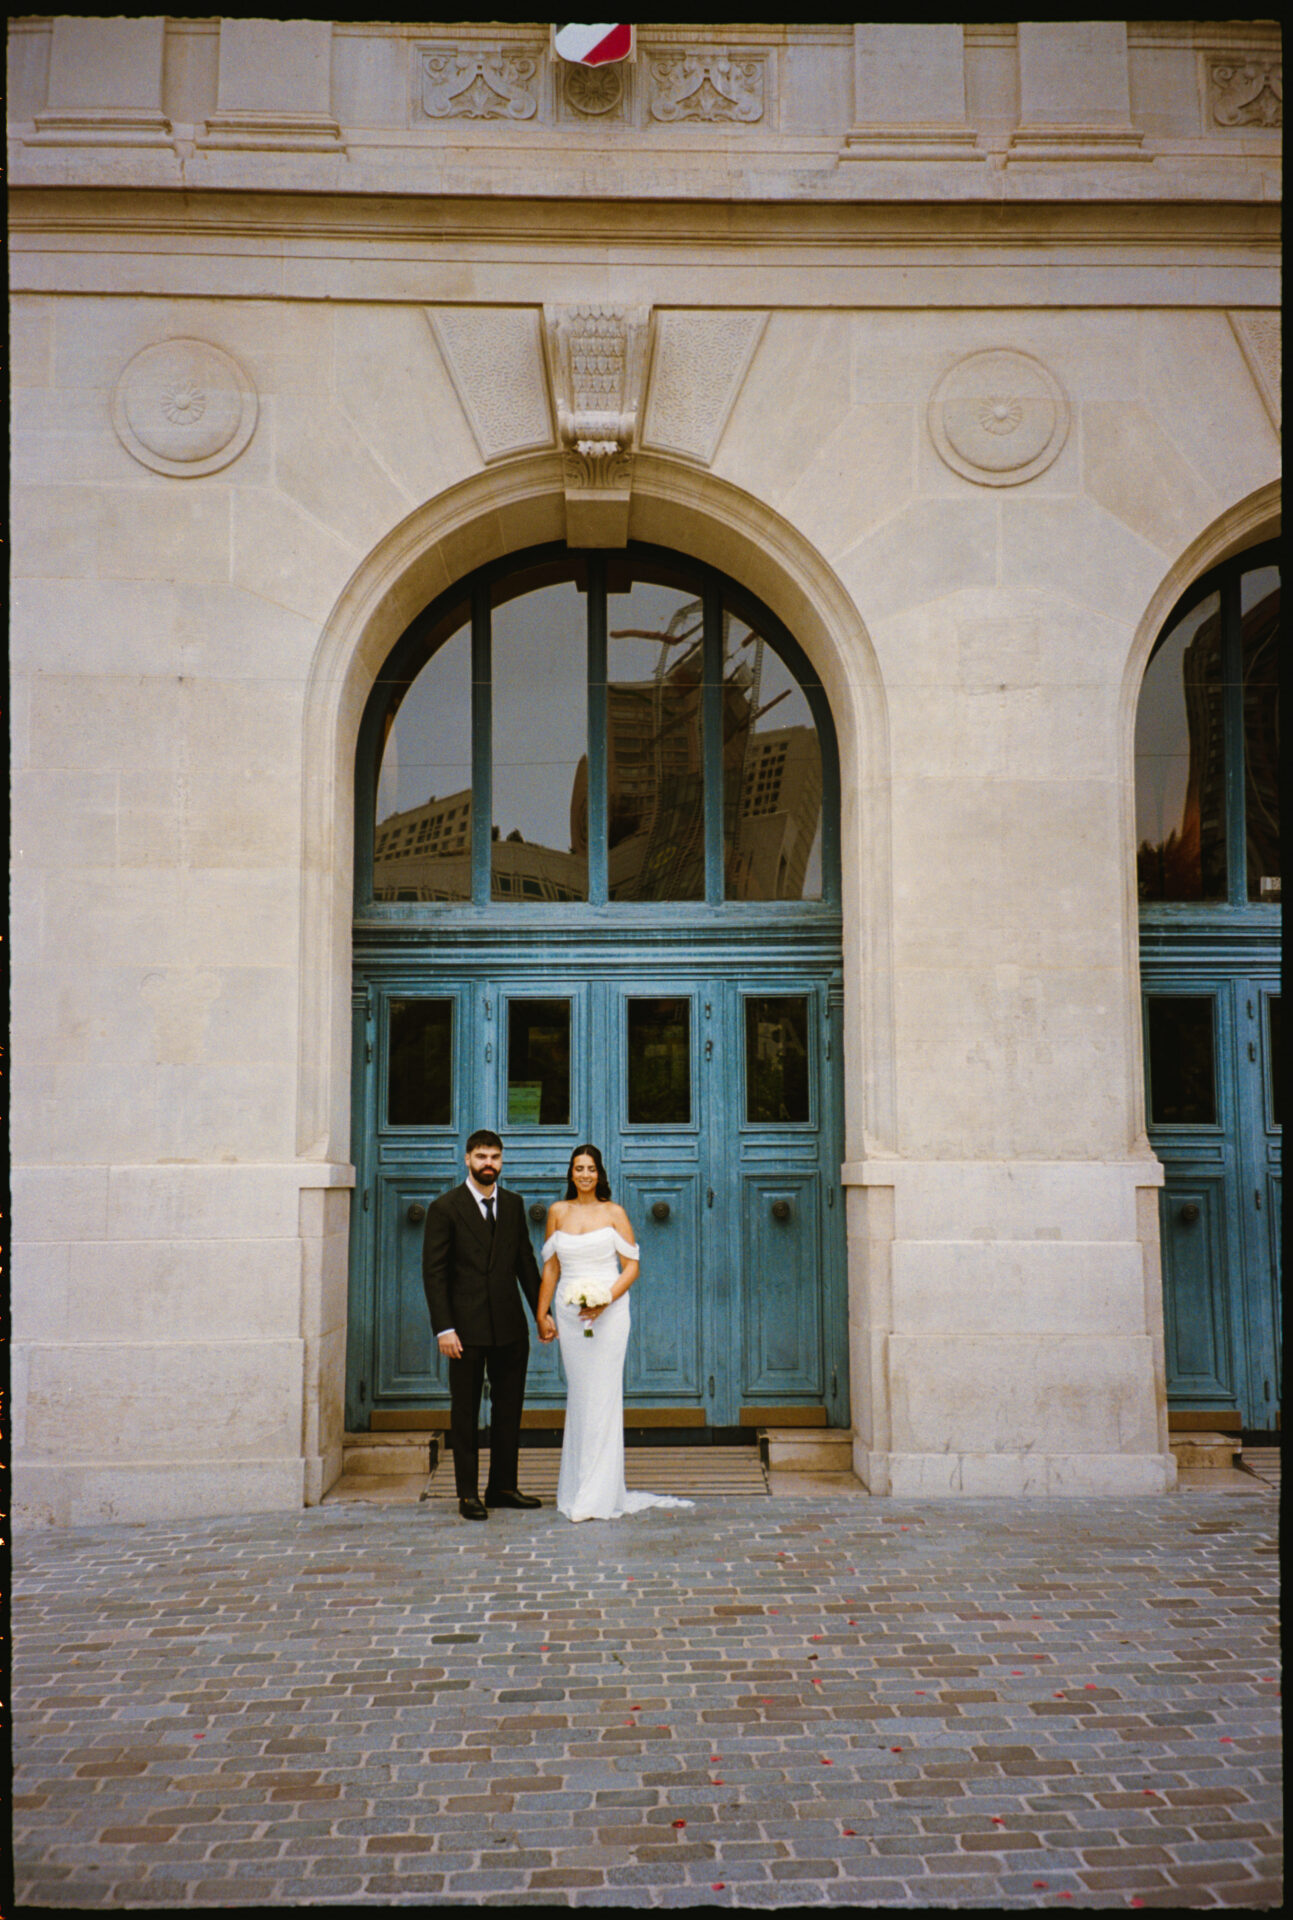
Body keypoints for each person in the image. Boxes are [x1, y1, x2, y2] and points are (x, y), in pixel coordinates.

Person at [537, 1143, 694, 1523]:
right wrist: (541, 1313)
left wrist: (605, 1298)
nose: (585, 1174)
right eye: (579, 1168)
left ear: (599, 1172)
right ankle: (577, 1488)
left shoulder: (614, 1213)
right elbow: (552, 1269)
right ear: (570, 1173)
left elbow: (631, 1266)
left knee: (603, 1395)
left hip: (609, 1313)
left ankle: (599, 1494)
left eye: (591, 1168)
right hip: (571, 1313)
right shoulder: (558, 1212)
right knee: (580, 1394)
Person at [421, 1128, 556, 1521]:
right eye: (481, 1157)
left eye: (495, 1157)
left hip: (510, 1327)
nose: (488, 1164)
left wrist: (541, 1314)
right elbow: (434, 1274)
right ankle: (467, 1493)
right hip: (463, 1331)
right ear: (467, 1159)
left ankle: (502, 1487)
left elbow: (525, 1265)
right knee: (464, 1412)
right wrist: (444, 1328)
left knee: (509, 1409)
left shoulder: (513, 1205)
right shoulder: (445, 1208)